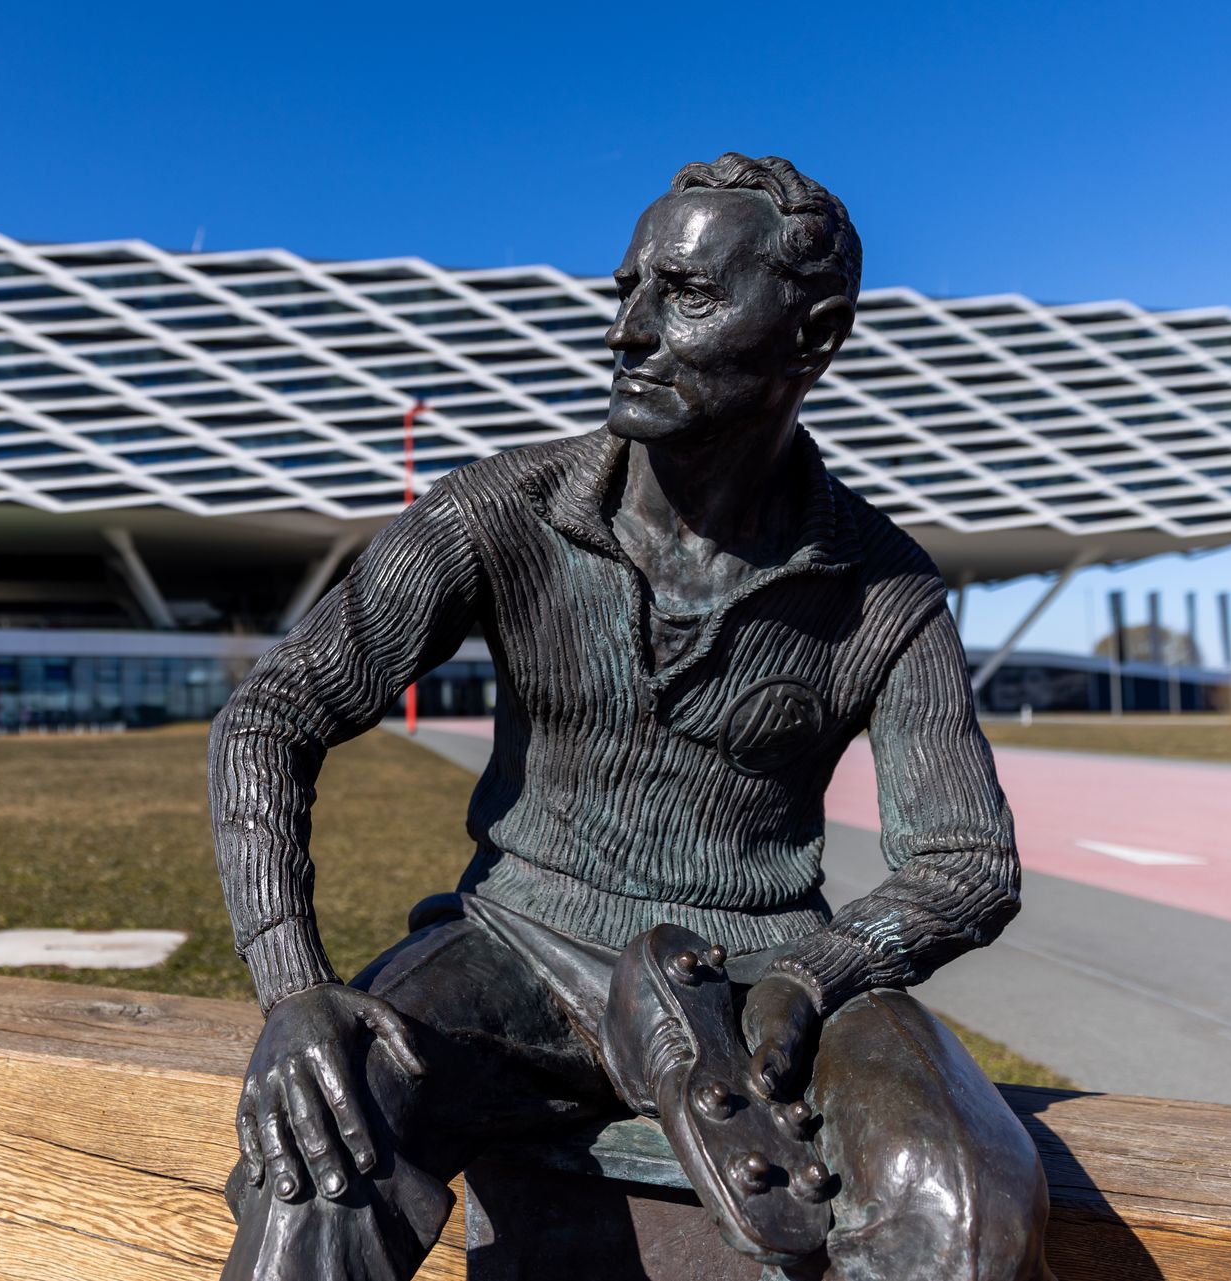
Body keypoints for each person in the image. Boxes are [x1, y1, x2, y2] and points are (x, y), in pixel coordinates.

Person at [209, 154, 1051, 1281]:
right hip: (515, 949)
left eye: (689, 295)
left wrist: (820, 976)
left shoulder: (882, 590)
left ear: (816, 335)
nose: (629, 332)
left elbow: (966, 862)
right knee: (322, 1134)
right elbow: (270, 714)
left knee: (958, 1207)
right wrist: (294, 984)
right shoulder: (496, 513)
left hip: (764, 980)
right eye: (628, 290)